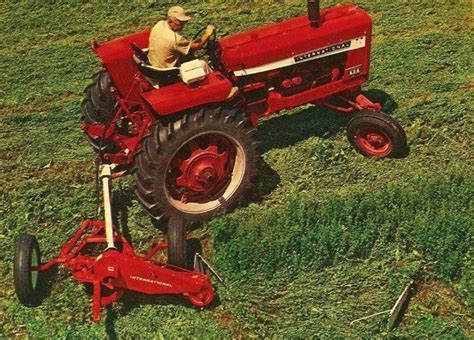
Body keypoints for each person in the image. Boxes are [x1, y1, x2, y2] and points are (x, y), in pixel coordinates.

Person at [148, 6, 215, 69]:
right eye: (180, 24)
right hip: (167, 71)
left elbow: (188, 47)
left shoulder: (159, 24)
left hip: (154, 64)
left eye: (184, 23)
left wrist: (190, 45)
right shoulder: (175, 39)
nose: (183, 26)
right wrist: (207, 34)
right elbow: (197, 46)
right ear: (170, 21)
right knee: (202, 64)